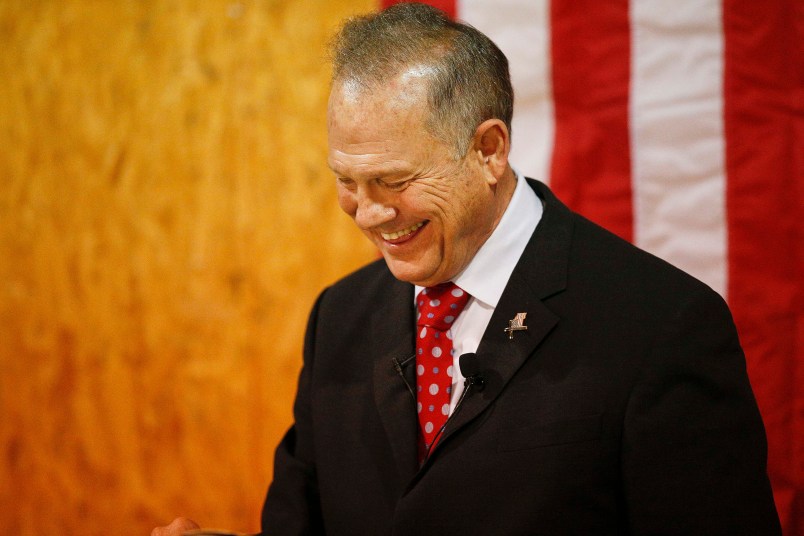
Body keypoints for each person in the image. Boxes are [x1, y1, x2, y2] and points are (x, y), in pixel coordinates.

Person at [155, 3, 781, 535]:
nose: (369, 214)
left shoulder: (660, 326)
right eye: (346, 181)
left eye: (393, 180)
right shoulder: (339, 318)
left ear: (488, 150)